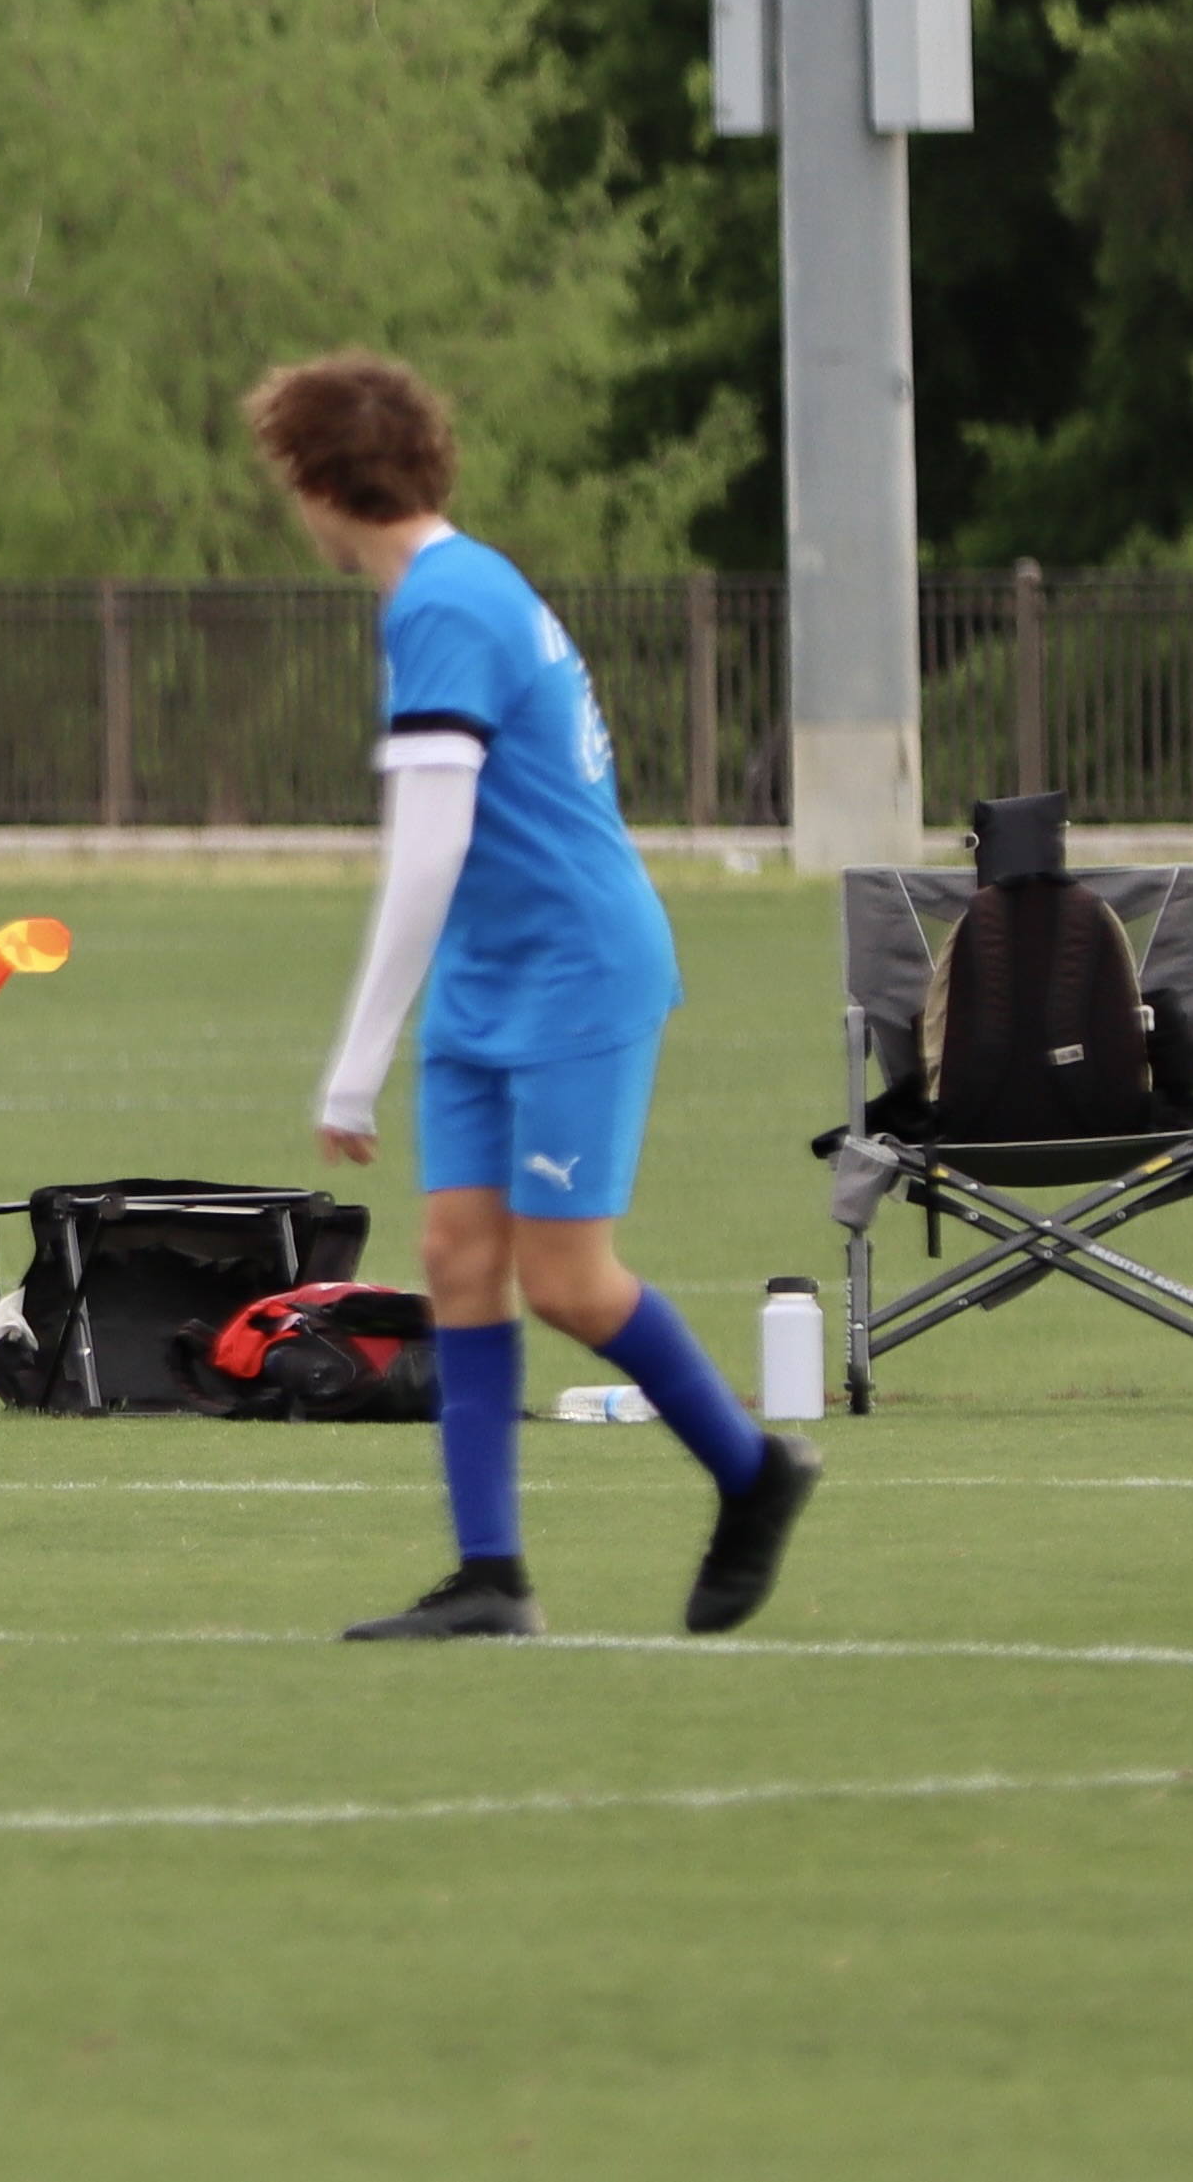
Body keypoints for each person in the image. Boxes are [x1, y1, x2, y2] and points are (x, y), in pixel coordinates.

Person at [250, 353, 815, 1636]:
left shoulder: (447, 602)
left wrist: (356, 1059)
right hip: (490, 968)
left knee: (565, 1278)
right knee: (458, 1258)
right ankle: (491, 1577)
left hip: (574, 965)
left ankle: (754, 1470)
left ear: (320, 482)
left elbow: (428, 848)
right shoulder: (448, 587)